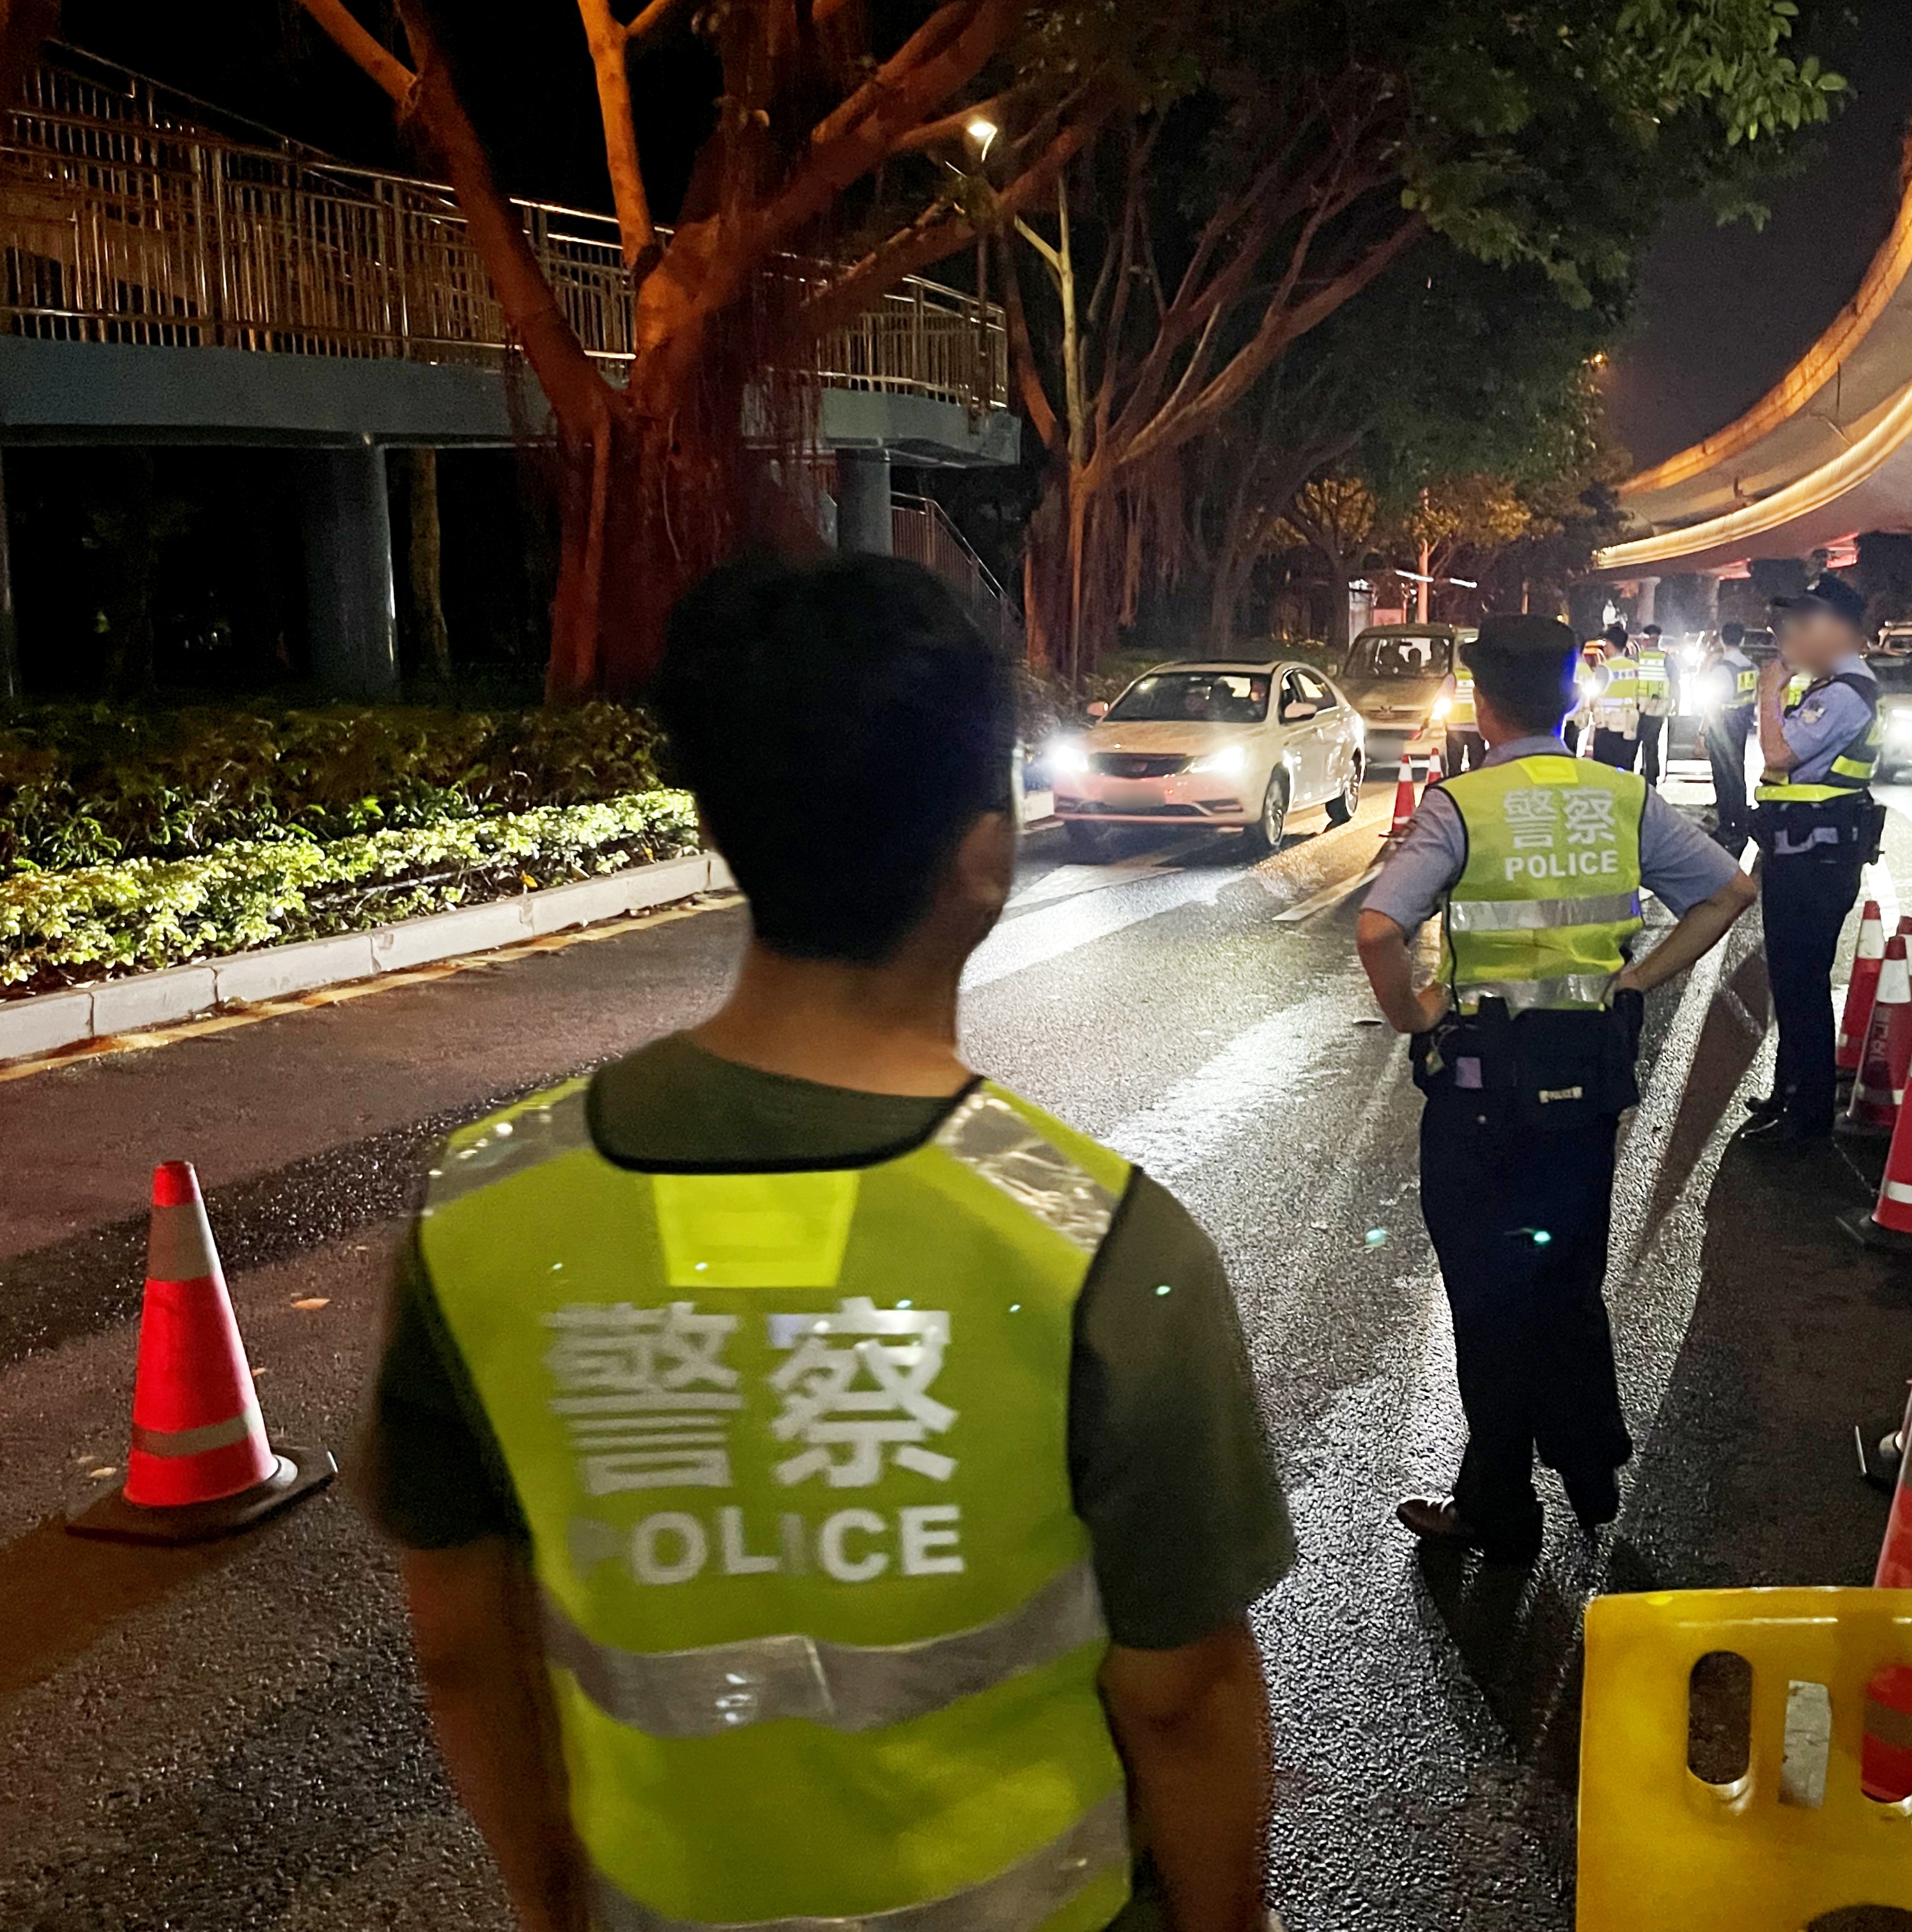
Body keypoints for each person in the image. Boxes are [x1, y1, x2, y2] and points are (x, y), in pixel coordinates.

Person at [358, 555, 1294, 1932]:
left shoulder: (483, 1209)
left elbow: (458, 1642)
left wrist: (558, 1900)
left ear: (721, 822)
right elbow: (1182, 1696)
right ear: (987, 852)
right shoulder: (1101, 1250)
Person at [1355, 614, 1759, 1561]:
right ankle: (1582, 1458)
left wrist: (1414, 1014)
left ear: (1481, 699)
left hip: (1482, 1091)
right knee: (1565, 1271)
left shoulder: (1463, 805)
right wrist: (1636, 980)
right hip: (1585, 1083)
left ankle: (1501, 1499)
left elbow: (1380, 927)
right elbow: (1730, 894)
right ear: (1575, 697)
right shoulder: (1621, 798)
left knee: (1488, 1289)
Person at [1739, 574, 1882, 1147]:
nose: (1790, 633)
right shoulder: (1831, 686)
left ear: (1835, 629)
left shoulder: (1846, 693)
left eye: (1803, 622)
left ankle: (1808, 1116)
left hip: (1817, 861)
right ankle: (1789, 1091)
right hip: (1800, 853)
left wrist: (1768, 690)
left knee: (1802, 983)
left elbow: (1778, 753)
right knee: (1790, 980)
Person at [1702, 620, 1760, 859]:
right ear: (1743, 640)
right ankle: (1741, 824)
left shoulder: (1722, 669)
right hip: (1741, 723)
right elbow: (1754, 698)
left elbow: (1713, 703)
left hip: (1723, 724)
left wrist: (1703, 731)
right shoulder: (1751, 668)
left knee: (1722, 775)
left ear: (1723, 640)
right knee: (1737, 773)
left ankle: (1727, 827)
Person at [1589, 622, 1644, 770]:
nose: (1605, 647)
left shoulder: (1604, 669)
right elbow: (1641, 696)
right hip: (1629, 728)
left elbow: (1593, 698)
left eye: (1606, 643)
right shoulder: (1635, 668)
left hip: (1607, 730)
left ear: (1612, 646)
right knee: (1626, 771)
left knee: (1605, 773)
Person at [1635, 622, 1672, 788]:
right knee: (1652, 742)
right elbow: (1675, 682)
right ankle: (1651, 774)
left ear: (1646, 639)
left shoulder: (1638, 658)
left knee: (1639, 741)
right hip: (1658, 707)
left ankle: (1645, 773)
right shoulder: (1666, 658)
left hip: (1639, 706)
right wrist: (1675, 703)